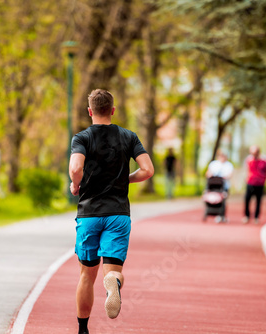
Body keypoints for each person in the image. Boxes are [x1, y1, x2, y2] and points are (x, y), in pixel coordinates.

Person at [69, 89, 154, 334]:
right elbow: (148, 170)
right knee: (114, 270)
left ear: (90, 111)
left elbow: (76, 167)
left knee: (86, 274)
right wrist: (125, 179)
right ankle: (113, 282)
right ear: (113, 110)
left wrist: (76, 184)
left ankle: (83, 329)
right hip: (118, 213)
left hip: (89, 214)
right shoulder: (128, 136)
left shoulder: (82, 138)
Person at [243, 145, 266, 224]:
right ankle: (247, 216)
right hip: (250, 182)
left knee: (258, 201)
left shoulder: (264, 161)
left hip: (260, 183)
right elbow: (246, 169)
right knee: (247, 199)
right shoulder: (249, 160)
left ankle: (256, 217)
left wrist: (264, 180)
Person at [206, 150, 234, 223]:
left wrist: (225, 177)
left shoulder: (229, 165)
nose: (222, 157)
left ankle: (222, 215)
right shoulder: (213, 164)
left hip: (224, 186)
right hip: (214, 186)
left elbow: (230, 175)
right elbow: (208, 173)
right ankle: (215, 214)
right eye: (221, 155)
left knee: (223, 200)